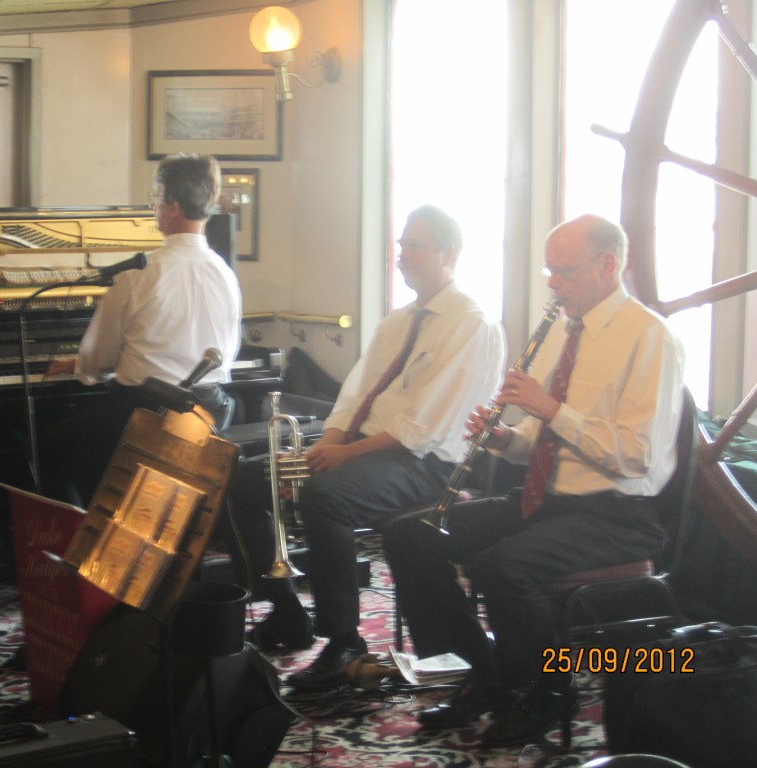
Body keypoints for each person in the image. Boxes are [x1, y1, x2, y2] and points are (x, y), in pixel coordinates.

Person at [383, 214, 686, 746]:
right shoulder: (562, 330)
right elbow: (538, 437)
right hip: (546, 500)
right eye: (549, 271)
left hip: (618, 515)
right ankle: (484, 673)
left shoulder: (650, 338)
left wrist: (550, 408)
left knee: (503, 568)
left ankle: (548, 691)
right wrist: (506, 440)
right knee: (410, 536)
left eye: (563, 271)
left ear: (608, 265)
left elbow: (637, 456)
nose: (552, 283)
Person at [226, 204, 506, 691]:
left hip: (427, 464)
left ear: (448, 254)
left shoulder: (471, 324)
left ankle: (344, 642)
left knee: (326, 496)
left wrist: (342, 458)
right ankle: (286, 607)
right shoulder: (397, 323)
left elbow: (425, 427)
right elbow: (353, 398)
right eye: (401, 245)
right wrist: (322, 449)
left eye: (415, 246)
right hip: (367, 451)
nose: (402, 255)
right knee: (244, 478)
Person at [40, 153, 242, 505]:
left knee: (46, 448)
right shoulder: (225, 273)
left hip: (145, 416)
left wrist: (80, 366)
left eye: (156, 196)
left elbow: (99, 358)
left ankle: (92, 528)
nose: (153, 207)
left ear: (173, 206)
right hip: (207, 414)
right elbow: (228, 350)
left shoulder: (137, 275)